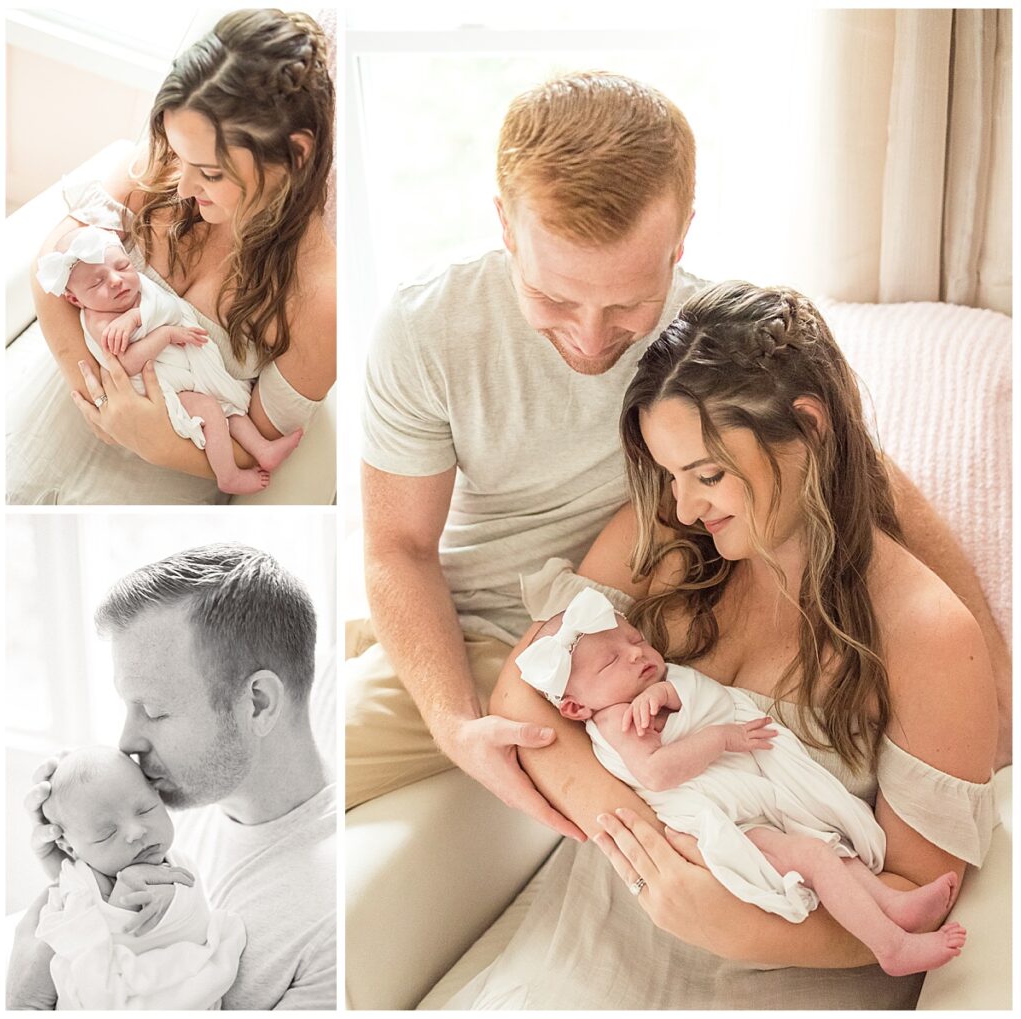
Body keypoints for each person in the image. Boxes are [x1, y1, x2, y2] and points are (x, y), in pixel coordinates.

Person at [345, 71, 1009, 838]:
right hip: (466, 631)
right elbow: (396, 546)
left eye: (627, 303)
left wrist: (994, 678)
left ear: (680, 237)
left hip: (619, 642)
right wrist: (455, 723)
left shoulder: (707, 343)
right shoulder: (428, 328)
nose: (591, 340)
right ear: (505, 225)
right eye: (556, 299)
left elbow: (862, 469)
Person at [454, 281, 996, 1008]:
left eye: (708, 474)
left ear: (808, 427)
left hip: (786, 967)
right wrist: (654, 844)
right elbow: (525, 692)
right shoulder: (672, 548)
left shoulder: (930, 637)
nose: (683, 505)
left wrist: (737, 922)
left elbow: (919, 890)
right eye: (673, 474)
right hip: (601, 926)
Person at [516, 588, 967, 978]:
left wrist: (665, 693)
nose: (636, 653)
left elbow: (695, 696)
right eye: (612, 660)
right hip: (723, 824)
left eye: (634, 640)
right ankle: (891, 947)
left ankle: (893, 906)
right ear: (576, 708)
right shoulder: (616, 719)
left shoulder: (646, 692)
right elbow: (657, 771)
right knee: (814, 856)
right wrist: (722, 738)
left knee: (827, 855)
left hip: (743, 803)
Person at [8, 9, 336, 505]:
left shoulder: (319, 300)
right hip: (56, 405)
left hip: (158, 475)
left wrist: (152, 439)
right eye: (180, 157)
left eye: (208, 171)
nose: (182, 185)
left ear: (295, 153)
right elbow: (51, 273)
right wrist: (103, 400)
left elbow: (258, 447)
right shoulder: (166, 163)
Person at [9, 544, 336, 1010]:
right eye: (127, 707)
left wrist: (23, 1004)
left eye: (154, 711)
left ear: (257, 703)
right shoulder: (164, 806)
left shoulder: (328, 927)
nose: (127, 741)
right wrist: (81, 876)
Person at [36, 226, 303, 494]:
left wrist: (137, 316)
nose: (116, 280)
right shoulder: (100, 321)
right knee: (210, 410)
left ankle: (262, 449)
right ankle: (228, 475)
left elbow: (169, 306)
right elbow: (127, 365)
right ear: (75, 299)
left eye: (123, 266)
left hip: (182, 366)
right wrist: (165, 334)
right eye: (96, 283)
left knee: (229, 408)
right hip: (159, 388)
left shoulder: (137, 290)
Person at [35, 746, 246, 1010]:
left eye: (145, 810)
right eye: (106, 833)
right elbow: (86, 963)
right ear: (69, 848)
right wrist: (124, 896)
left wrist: (177, 901)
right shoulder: (78, 887)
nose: (135, 831)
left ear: (158, 795)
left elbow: (198, 920)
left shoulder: (180, 862)